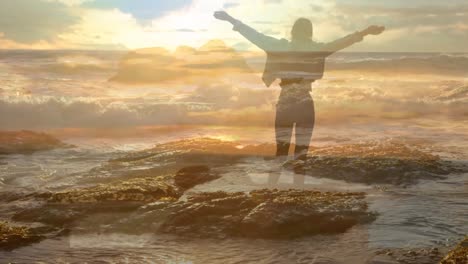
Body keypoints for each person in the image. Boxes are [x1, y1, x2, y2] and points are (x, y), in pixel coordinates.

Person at [214, 11, 385, 160]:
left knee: (281, 150)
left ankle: (275, 191)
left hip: (285, 102)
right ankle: (298, 190)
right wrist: (366, 32)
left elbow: (253, 35)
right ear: (310, 32)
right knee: (302, 153)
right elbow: (342, 42)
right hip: (305, 102)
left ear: (292, 31)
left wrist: (230, 18)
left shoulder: (279, 46)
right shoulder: (316, 49)